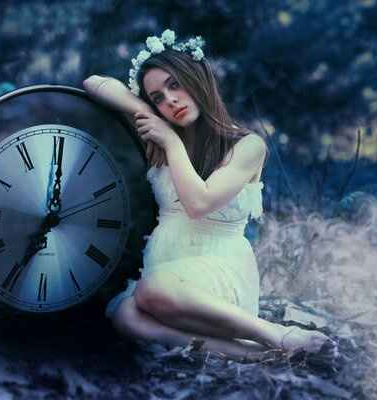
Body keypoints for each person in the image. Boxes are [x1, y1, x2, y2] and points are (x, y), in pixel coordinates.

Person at [83, 30, 337, 358]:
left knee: (152, 289)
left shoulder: (247, 147)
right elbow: (93, 83)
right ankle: (254, 355)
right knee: (124, 315)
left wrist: (171, 142)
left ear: (198, 80)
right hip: (168, 274)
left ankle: (278, 334)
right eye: (157, 97)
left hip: (219, 274)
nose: (169, 100)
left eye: (175, 85)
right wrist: (144, 113)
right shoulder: (157, 135)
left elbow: (198, 203)